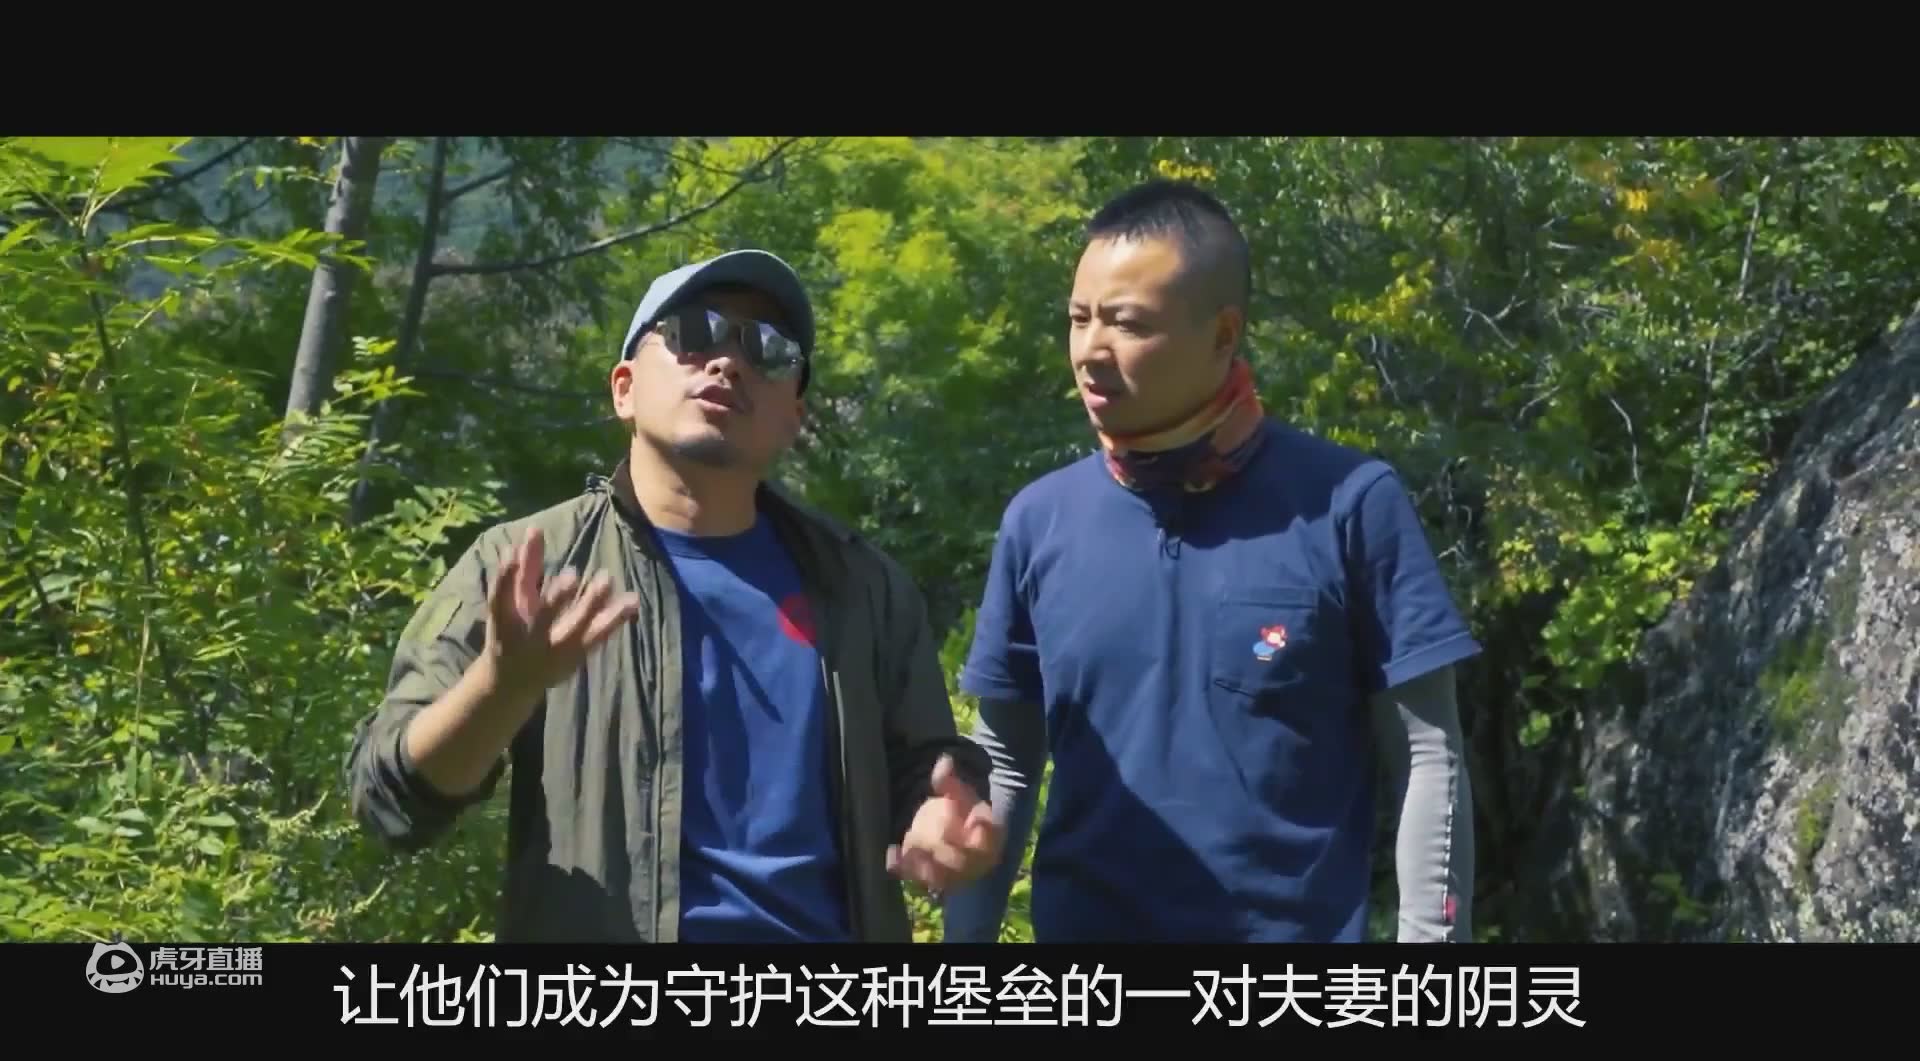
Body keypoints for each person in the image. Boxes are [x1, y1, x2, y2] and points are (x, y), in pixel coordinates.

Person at [346, 249, 1002, 944]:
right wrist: (502, 688)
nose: (728, 362)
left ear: (794, 416)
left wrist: (940, 815)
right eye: (694, 332)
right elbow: (390, 800)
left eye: (768, 348)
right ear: (624, 389)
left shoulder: (861, 586)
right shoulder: (528, 565)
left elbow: (925, 768)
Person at [941, 181, 1480, 945]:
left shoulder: (1349, 504)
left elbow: (1429, 754)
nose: (1091, 350)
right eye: (1079, 319)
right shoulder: (1040, 520)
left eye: (1128, 323)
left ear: (1224, 334)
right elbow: (1006, 760)